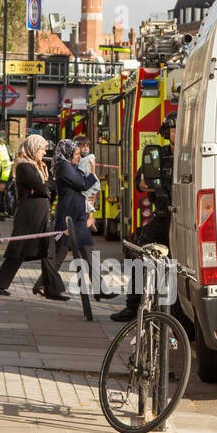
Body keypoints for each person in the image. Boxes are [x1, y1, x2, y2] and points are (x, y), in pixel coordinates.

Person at [0, 135, 69, 301]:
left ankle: (49, 288)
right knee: (18, 250)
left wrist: (45, 187)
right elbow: (42, 187)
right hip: (28, 215)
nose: (44, 152)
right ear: (33, 149)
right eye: (42, 149)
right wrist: (44, 187)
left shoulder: (40, 166)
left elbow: (51, 186)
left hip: (42, 213)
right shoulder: (24, 167)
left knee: (49, 251)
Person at [112, 117, 175, 323]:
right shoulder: (158, 155)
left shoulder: (191, 154)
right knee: (140, 252)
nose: (176, 133)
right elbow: (141, 184)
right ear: (166, 133)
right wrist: (159, 188)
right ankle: (133, 305)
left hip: (187, 217)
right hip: (164, 216)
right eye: (172, 130)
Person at [36, 137, 110, 299]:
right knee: (59, 254)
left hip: (78, 215)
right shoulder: (64, 167)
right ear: (68, 153)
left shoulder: (70, 166)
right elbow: (82, 184)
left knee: (89, 252)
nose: (79, 156)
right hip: (68, 216)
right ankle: (42, 284)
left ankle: (100, 289)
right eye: (76, 153)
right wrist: (92, 174)